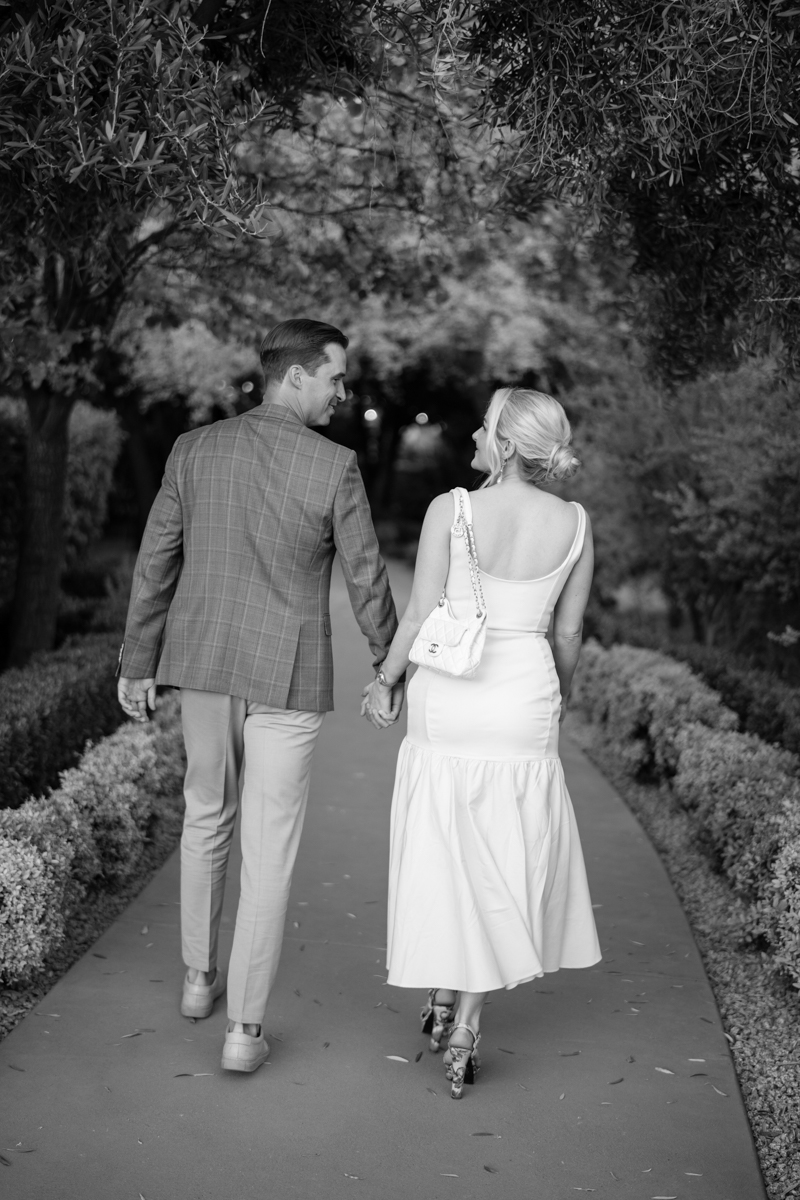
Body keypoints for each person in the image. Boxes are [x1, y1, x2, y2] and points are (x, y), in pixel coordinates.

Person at [117, 318, 403, 1073]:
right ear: (297, 375)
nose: (344, 394)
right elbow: (367, 578)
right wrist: (391, 666)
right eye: (337, 378)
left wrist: (137, 660)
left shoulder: (194, 449)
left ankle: (196, 979)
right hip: (289, 674)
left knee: (205, 815)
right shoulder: (335, 466)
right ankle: (244, 1030)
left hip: (204, 662)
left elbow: (156, 563)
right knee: (268, 850)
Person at [362, 386, 601, 1099]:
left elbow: (417, 614)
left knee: (445, 842)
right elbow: (568, 634)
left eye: (485, 426)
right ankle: (465, 1022)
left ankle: (441, 992)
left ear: (503, 444)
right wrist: (560, 693)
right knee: (504, 848)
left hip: (452, 694)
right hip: (524, 694)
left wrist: (385, 681)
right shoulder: (576, 523)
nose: (474, 432)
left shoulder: (452, 509)